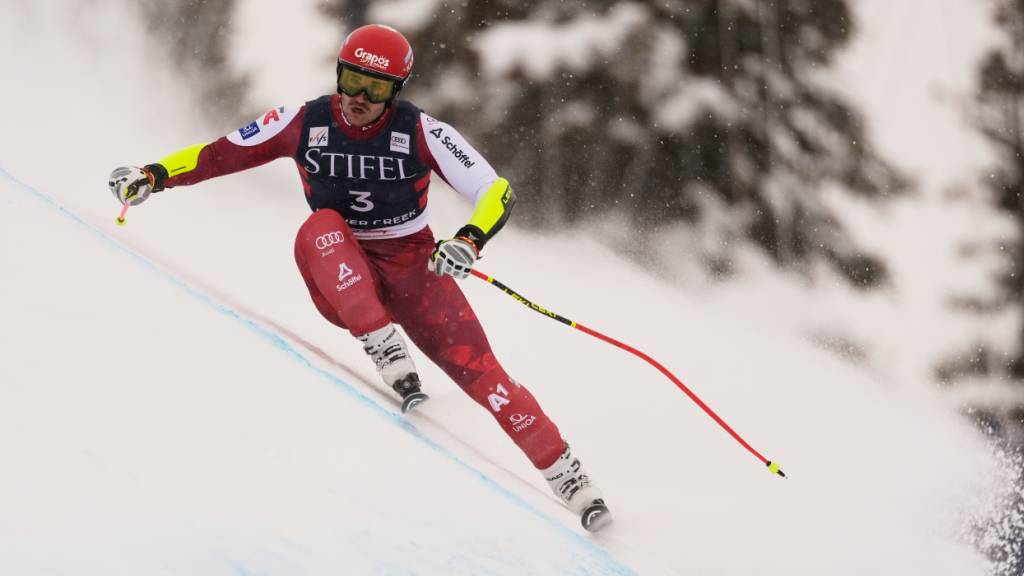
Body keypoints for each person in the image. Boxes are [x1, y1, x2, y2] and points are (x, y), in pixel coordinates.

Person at [108, 24, 611, 531]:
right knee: (322, 226)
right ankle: (383, 345)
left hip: (413, 266)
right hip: (338, 269)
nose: (359, 98)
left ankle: (572, 479)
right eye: (351, 80)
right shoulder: (303, 120)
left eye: (375, 88)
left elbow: (495, 189)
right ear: (338, 75)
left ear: (397, 91)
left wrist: (468, 240)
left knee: (487, 376)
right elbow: (219, 153)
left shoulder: (422, 130)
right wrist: (153, 175)